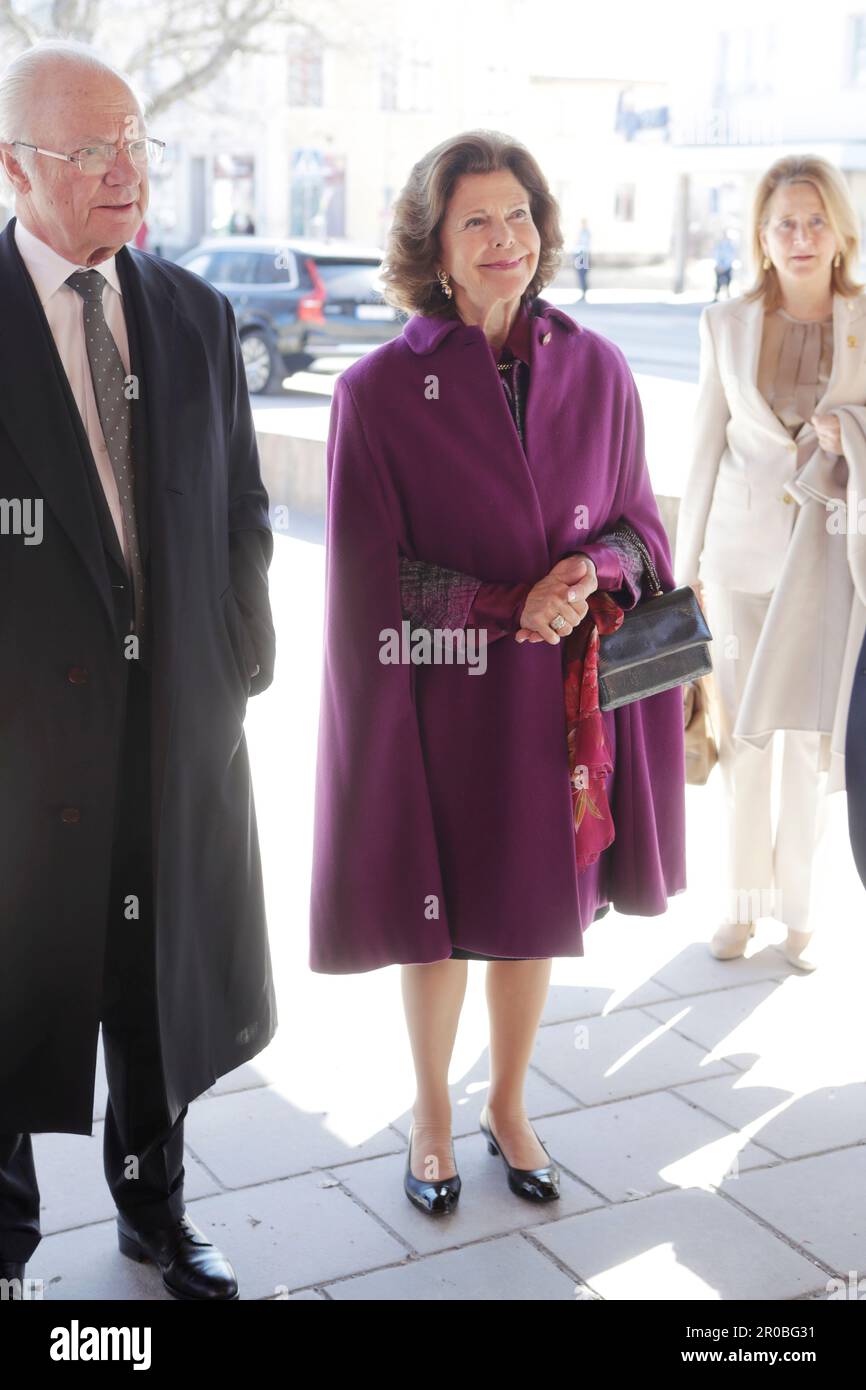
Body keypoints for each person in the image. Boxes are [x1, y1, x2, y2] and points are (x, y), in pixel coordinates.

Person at [310, 129, 685, 1217]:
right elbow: (365, 573)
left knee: (536, 906)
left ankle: (507, 1104)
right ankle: (430, 1112)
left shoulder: (598, 365)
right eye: (475, 219)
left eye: (518, 214)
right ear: (431, 242)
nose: (504, 239)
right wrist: (500, 605)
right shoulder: (377, 391)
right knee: (439, 918)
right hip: (439, 699)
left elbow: (641, 531)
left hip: (561, 706)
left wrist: (589, 566)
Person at [0, 40, 276, 1299]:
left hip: (170, 734)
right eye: (88, 150)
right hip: (21, 752)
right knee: (12, 990)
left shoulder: (192, 311)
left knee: (158, 988)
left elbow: (240, 514)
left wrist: (236, 658)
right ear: (16, 167)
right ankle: (3, 1246)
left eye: (134, 142)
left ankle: (154, 1213)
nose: (125, 171)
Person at [675, 154, 866, 973]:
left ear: (840, 232)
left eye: (815, 219)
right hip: (741, 563)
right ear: (760, 235)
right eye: (784, 221)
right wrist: (684, 573)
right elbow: (702, 450)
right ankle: (742, 907)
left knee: (813, 744)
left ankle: (801, 909)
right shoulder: (725, 324)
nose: (800, 235)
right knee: (746, 742)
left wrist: (852, 430)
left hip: (829, 568)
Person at [712, 230, 736, 300]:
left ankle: (728, 294)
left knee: (728, 281)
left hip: (727, 266)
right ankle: (716, 295)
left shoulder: (730, 246)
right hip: (719, 266)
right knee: (718, 282)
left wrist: (725, 266)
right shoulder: (719, 245)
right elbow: (716, 255)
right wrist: (719, 266)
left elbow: (731, 257)